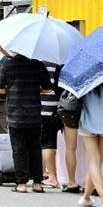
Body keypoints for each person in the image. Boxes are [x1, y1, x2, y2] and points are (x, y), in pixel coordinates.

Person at [0, 51, 52, 194]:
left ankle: (21, 184)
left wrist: (13, 90)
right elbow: (48, 88)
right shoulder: (38, 65)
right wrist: (35, 91)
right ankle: (38, 183)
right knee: (35, 149)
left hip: (15, 115)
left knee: (19, 150)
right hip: (34, 115)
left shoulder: (7, 65)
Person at [77, 80, 103, 207]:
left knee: (94, 162)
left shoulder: (85, 79)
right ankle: (86, 198)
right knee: (97, 162)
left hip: (87, 122)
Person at [40, 61, 63, 189]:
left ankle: (52, 177)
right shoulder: (58, 62)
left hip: (44, 109)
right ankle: (57, 175)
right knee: (56, 143)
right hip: (59, 108)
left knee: (47, 144)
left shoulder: (39, 63)